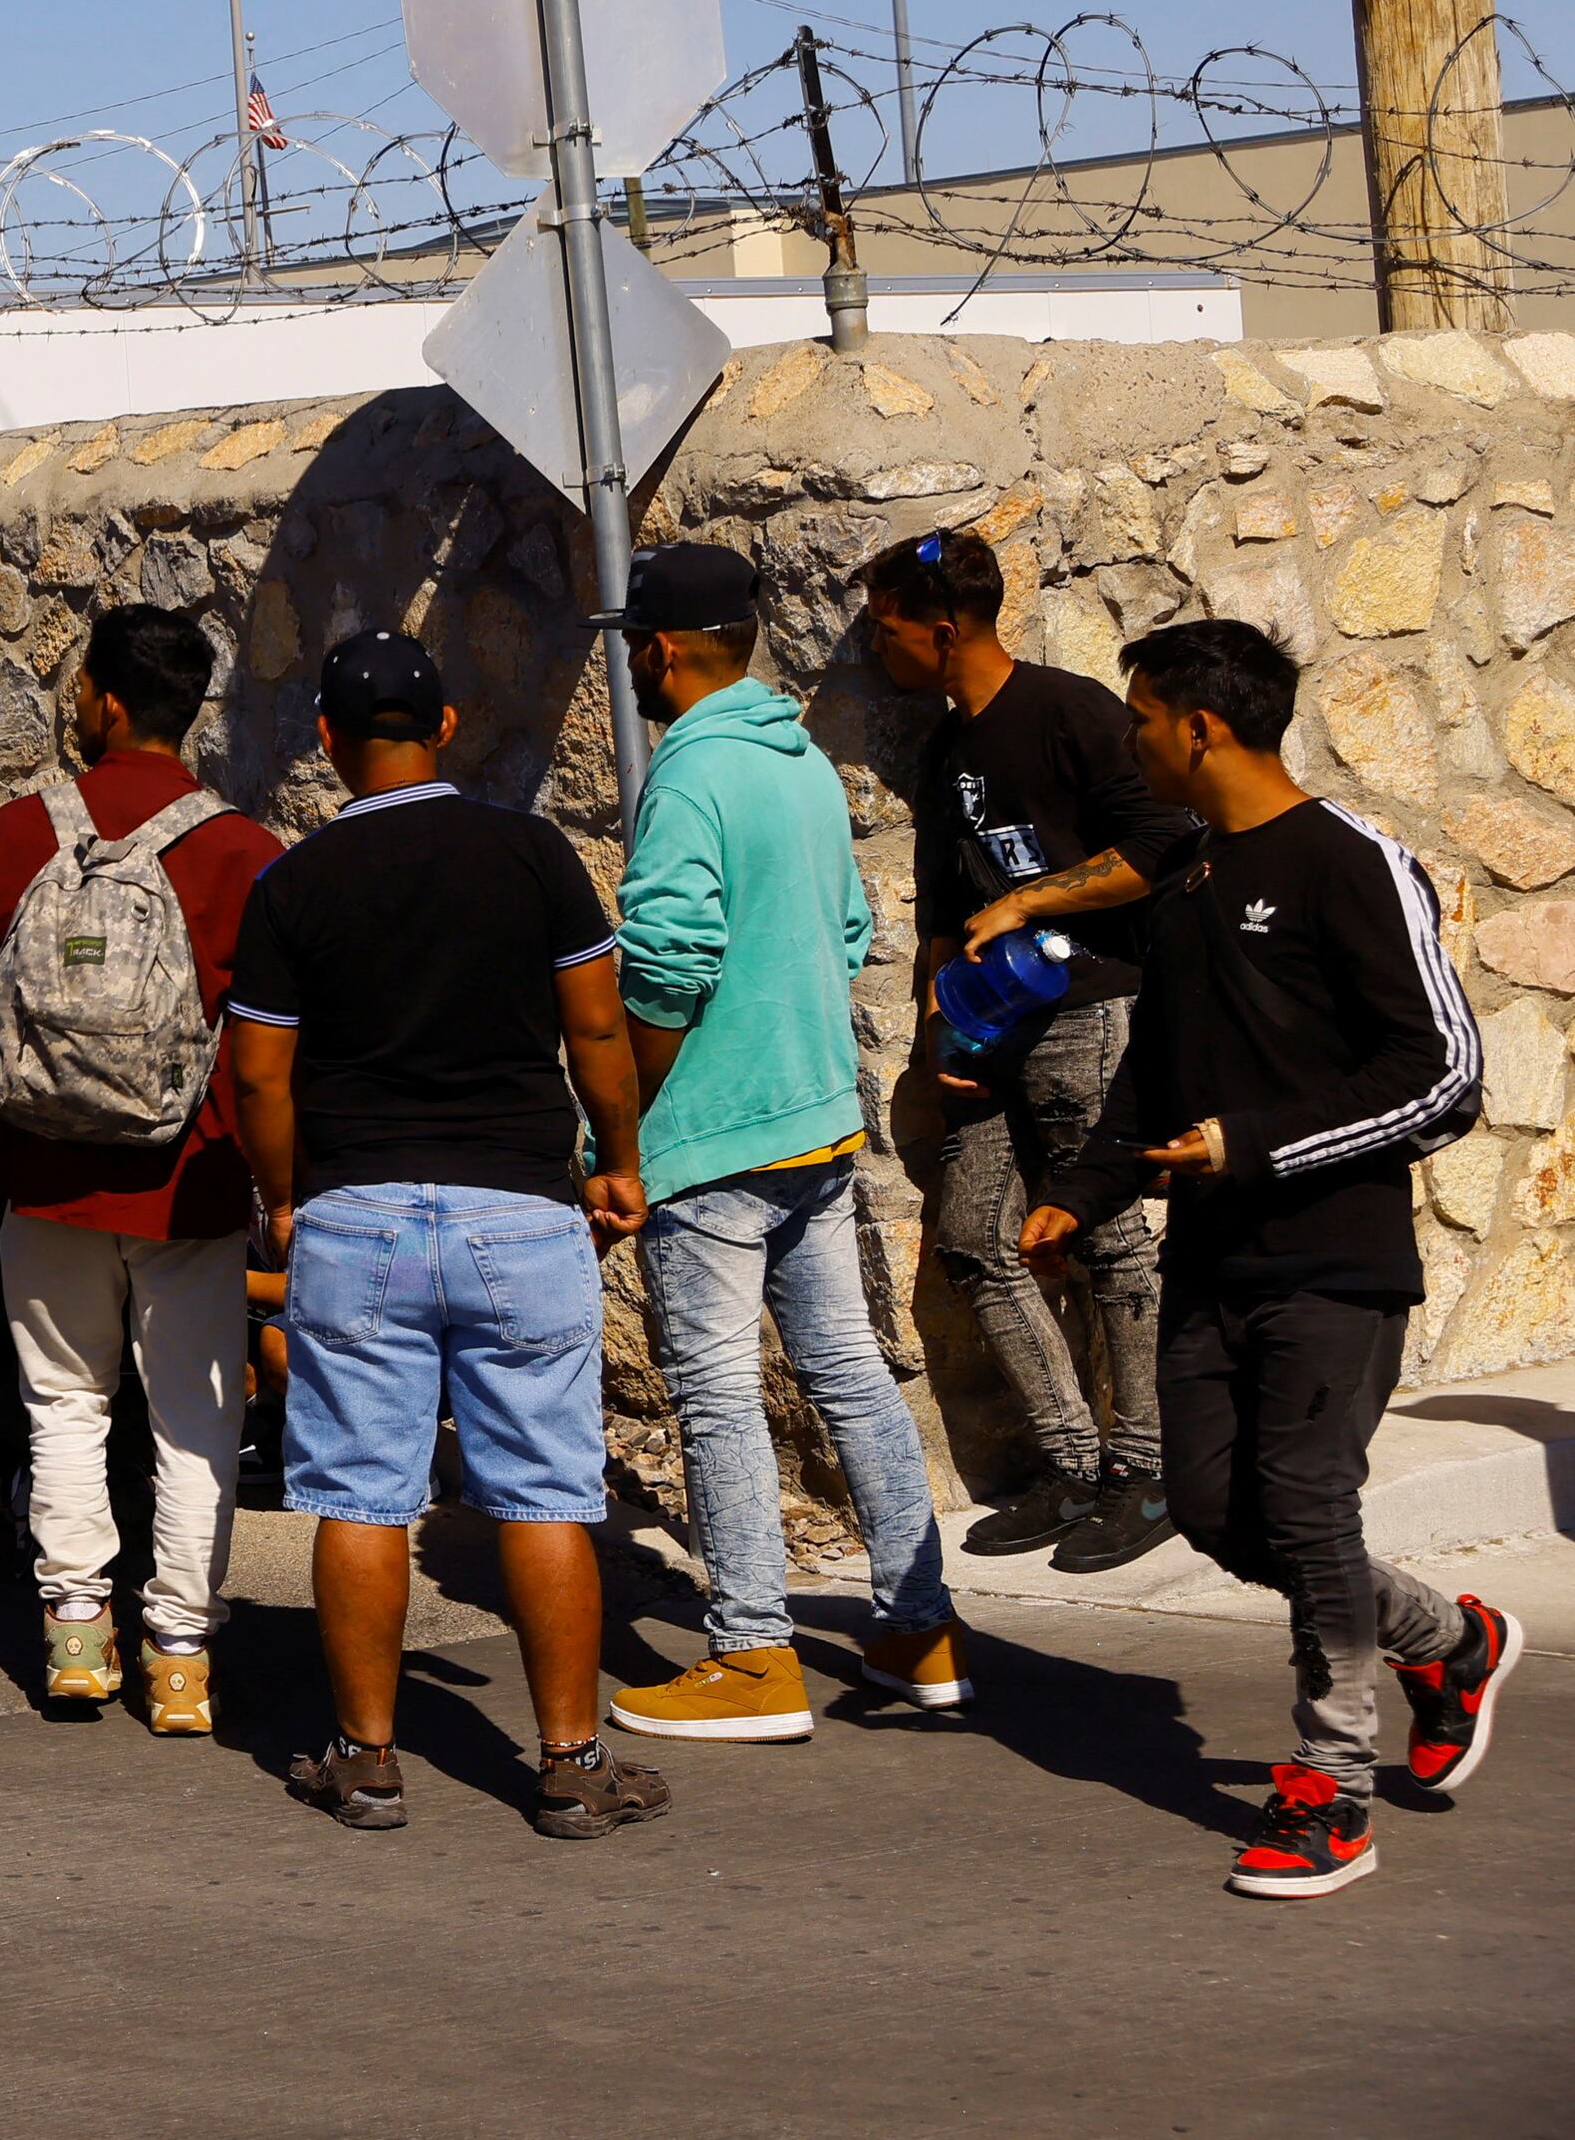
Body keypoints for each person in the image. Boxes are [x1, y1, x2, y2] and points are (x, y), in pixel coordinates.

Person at [1024, 620, 1513, 1900]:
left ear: (1198, 724)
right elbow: (1155, 1071)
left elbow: (1446, 1074)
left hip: (1332, 1263)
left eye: (1138, 718)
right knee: (1212, 1511)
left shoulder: (1350, 862)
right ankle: (1447, 1639)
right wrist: (1081, 1190)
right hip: (1211, 1267)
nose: (1128, 740)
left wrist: (1249, 1145)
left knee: (1303, 1507)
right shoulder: (1184, 875)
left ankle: (1328, 1790)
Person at [228, 631, 669, 1839]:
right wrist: (615, 1161)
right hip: (516, 1210)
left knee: (361, 1496)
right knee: (540, 1490)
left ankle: (364, 1759)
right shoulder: (531, 853)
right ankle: (571, 1762)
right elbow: (594, 1031)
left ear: (324, 737)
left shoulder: (293, 882)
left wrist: (280, 1194)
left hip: (356, 1213)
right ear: (449, 719)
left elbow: (257, 1075)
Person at [602, 542, 966, 1744]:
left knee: (713, 1392)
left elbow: (663, 963)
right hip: (814, 1117)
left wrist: (627, 1118)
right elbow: (853, 926)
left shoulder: (688, 772)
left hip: (712, 1131)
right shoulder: (800, 759)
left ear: (655, 648)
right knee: (848, 1371)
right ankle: (917, 1627)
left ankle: (751, 1652)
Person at [0, 602, 282, 1736]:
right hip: (190, 1178)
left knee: (64, 1404)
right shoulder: (242, 848)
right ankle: (179, 1656)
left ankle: (75, 1638)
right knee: (192, 1417)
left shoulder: (18, 831)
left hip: (41, 1168)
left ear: (107, 701)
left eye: (80, 687)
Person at [860, 526, 1188, 1573]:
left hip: (1086, 1009)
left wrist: (1028, 900)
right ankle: (1069, 1463)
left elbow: (1160, 846)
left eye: (887, 630)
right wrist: (931, 1033)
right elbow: (940, 913)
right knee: (970, 1238)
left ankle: (1145, 1472)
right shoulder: (944, 749)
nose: (878, 651)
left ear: (942, 630)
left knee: (1106, 1239)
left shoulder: (1067, 711)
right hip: (985, 1030)